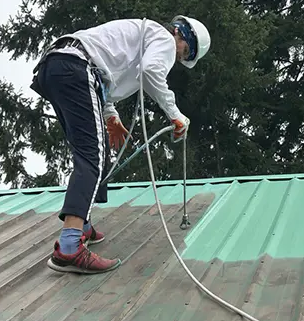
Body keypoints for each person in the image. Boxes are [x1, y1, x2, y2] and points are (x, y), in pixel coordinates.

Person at [30, 15, 211, 275]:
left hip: (57, 67)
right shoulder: (164, 39)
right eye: (184, 54)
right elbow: (150, 72)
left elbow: (105, 77)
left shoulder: (141, 35)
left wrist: (111, 117)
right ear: (184, 40)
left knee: (93, 151)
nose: (179, 59)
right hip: (76, 69)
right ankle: (69, 247)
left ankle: (83, 225)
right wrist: (176, 115)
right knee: (92, 157)